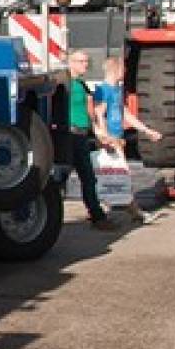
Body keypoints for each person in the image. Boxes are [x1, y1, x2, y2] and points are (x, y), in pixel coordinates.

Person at [97, 55, 163, 222]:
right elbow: (99, 115)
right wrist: (106, 139)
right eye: (123, 69)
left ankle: (107, 212)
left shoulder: (117, 90)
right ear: (116, 69)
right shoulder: (103, 90)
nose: (125, 71)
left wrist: (147, 130)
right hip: (111, 140)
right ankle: (134, 213)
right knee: (120, 175)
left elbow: (125, 114)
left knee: (114, 176)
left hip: (117, 137)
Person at [56, 50, 116, 231]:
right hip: (69, 135)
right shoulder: (63, 84)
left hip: (82, 135)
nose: (86, 65)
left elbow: (91, 113)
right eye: (82, 61)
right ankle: (59, 218)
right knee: (62, 179)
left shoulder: (82, 85)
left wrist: (98, 134)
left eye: (86, 62)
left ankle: (96, 215)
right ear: (71, 63)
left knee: (88, 178)